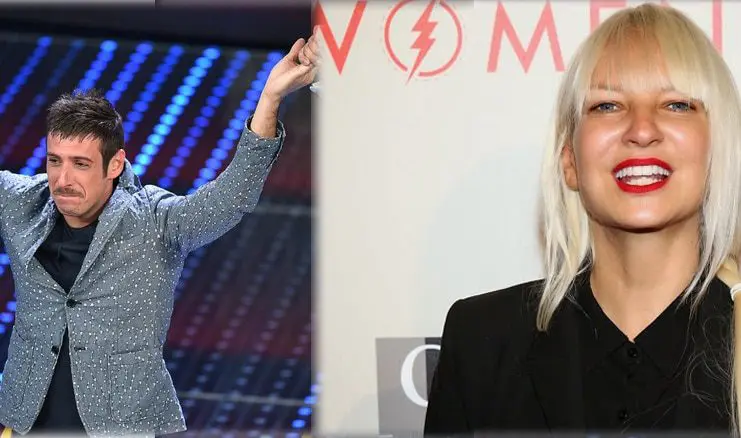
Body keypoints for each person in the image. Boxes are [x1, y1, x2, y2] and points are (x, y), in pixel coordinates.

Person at [424, 4, 741, 437]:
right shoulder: (481, 341)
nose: (641, 130)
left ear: (719, 152)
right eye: (607, 105)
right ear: (569, 160)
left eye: (677, 104)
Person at [0, 28, 321, 437]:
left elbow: (230, 198)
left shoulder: (154, 221)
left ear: (115, 165)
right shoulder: (21, 203)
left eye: (80, 164)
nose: (62, 179)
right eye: (54, 161)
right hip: (25, 423)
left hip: (122, 427)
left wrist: (270, 97)